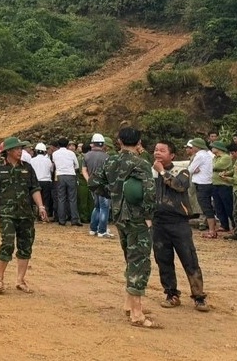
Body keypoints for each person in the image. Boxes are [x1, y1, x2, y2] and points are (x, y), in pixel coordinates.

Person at [89, 127, 157, 328]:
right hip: (136, 218)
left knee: (130, 256)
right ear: (138, 142)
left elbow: (94, 183)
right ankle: (136, 312)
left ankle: (129, 304)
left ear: (118, 141)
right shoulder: (140, 163)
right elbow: (150, 192)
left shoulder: (110, 161)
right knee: (140, 260)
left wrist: (113, 195)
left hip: (118, 216)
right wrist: (148, 215)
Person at [151, 140, 208, 312]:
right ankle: (171, 294)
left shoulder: (181, 171)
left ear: (172, 155)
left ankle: (199, 297)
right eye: (156, 150)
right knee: (163, 260)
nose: (157, 153)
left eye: (162, 150)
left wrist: (162, 172)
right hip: (159, 223)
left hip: (179, 223)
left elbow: (180, 186)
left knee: (189, 259)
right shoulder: (150, 172)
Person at [0, 137, 48, 294]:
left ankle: (20, 280)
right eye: (17, 149)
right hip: (7, 213)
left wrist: (41, 206)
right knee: (7, 243)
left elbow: (34, 189)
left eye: (21, 149)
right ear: (8, 151)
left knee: (25, 245)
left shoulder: (28, 168)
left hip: (25, 213)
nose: (20, 151)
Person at [84, 133, 113, 238]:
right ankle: (102, 230)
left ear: (93, 143)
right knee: (104, 208)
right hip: (104, 185)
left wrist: (89, 182)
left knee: (96, 207)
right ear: (103, 144)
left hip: (93, 185)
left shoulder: (86, 155)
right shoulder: (107, 156)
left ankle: (93, 229)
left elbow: (84, 170)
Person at [186, 138, 215, 236]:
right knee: (207, 206)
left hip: (202, 183)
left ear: (197, 146)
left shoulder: (199, 156)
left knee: (205, 207)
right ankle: (212, 229)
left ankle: (212, 231)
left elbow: (190, 169)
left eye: (193, 146)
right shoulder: (208, 154)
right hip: (208, 182)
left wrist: (194, 169)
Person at [52, 137, 81, 226]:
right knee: (72, 198)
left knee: (61, 198)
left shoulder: (55, 154)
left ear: (58, 144)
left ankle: (61, 220)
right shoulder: (71, 153)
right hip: (71, 175)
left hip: (60, 175)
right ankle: (74, 219)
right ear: (67, 144)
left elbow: (54, 164)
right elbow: (76, 166)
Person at [209, 140, 235, 237]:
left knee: (228, 205)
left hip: (224, 184)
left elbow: (216, 166)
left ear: (219, 148)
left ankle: (235, 225)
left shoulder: (226, 157)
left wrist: (212, 167)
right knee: (218, 206)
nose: (212, 148)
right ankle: (224, 225)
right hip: (215, 183)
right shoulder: (215, 157)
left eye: (213, 146)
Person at [29, 142, 54, 221]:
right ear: (44, 151)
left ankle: (36, 216)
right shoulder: (48, 160)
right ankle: (44, 216)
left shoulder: (32, 160)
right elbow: (52, 170)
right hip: (46, 181)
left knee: (36, 199)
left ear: (36, 151)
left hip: (36, 181)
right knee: (46, 200)